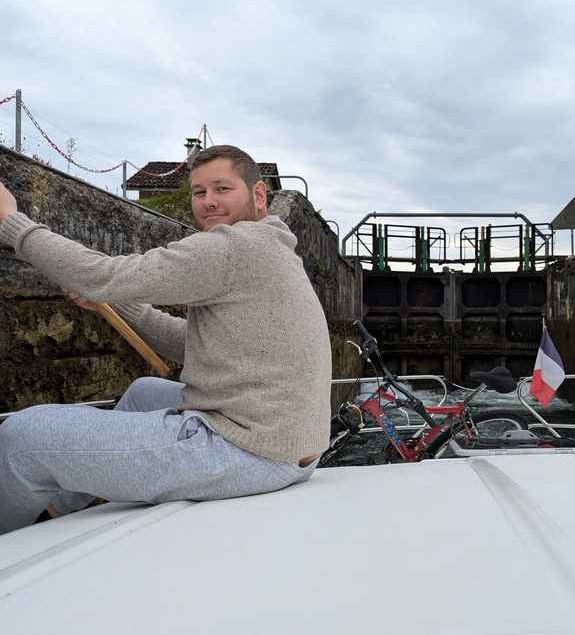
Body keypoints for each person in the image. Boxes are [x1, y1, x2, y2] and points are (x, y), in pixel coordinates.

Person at [0, 145, 332, 534]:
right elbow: (193, 346)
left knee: (24, 437)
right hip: (292, 445)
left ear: (259, 195)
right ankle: (57, 509)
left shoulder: (233, 246)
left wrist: (11, 222)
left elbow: (102, 274)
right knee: (143, 392)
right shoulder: (272, 247)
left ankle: (11, 539)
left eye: (222, 188)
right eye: (199, 192)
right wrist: (120, 305)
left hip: (252, 451)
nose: (208, 202)